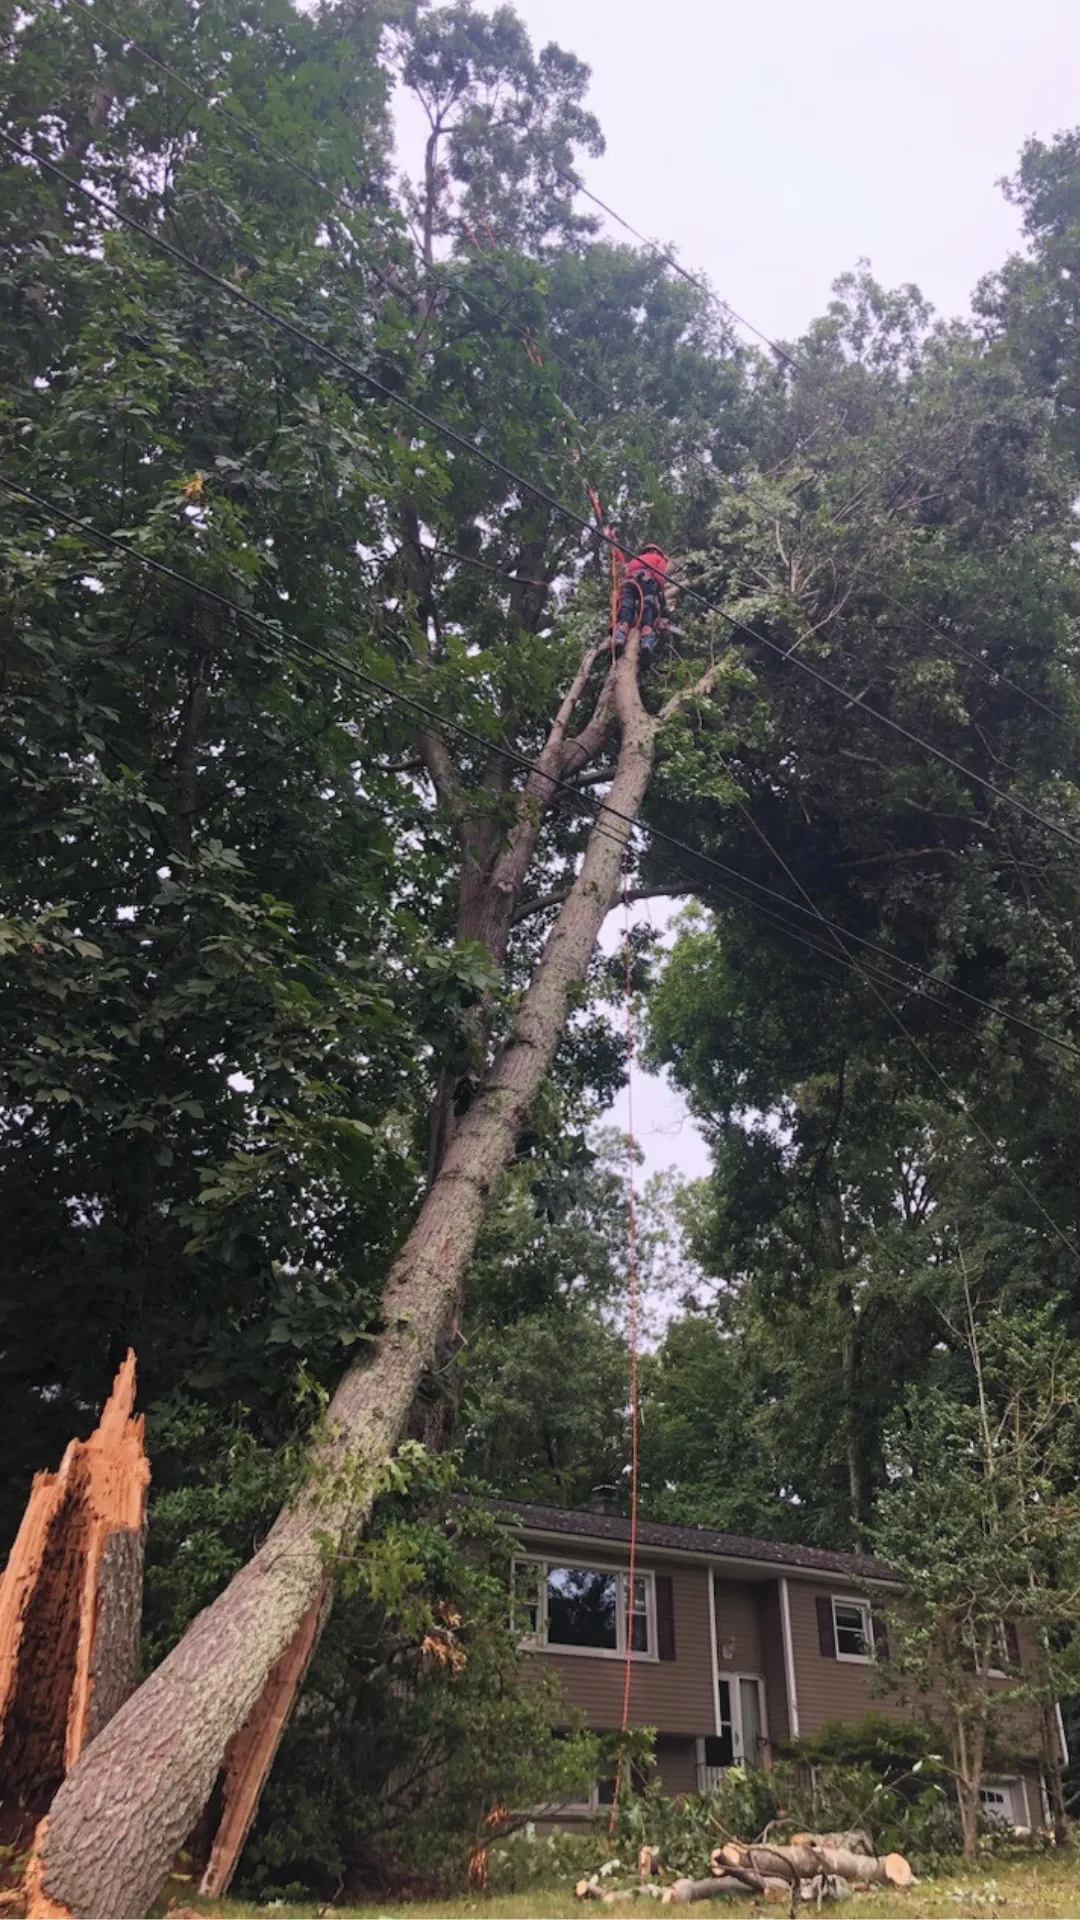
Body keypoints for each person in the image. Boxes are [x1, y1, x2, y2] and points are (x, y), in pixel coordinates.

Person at [612, 545, 670, 662]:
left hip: (628, 582)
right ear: (658, 552)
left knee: (626, 605)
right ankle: (646, 640)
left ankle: (620, 636)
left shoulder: (635, 559)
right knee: (648, 607)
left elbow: (627, 571)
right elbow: (660, 579)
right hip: (647, 581)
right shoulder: (659, 559)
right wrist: (662, 601)